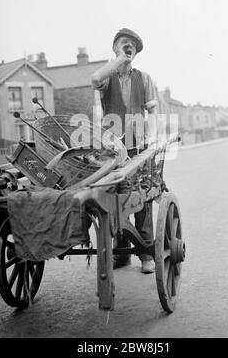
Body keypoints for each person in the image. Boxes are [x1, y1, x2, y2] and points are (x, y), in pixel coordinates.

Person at [91, 28, 158, 274]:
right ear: (115, 48)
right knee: (114, 197)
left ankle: (146, 254)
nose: (128, 46)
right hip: (111, 149)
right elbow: (94, 79)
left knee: (141, 197)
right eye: (123, 43)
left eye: (131, 45)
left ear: (137, 52)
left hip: (138, 145)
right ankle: (121, 253)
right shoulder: (107, 77)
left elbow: (152, 111)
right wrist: (119, 60)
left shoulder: (145, 78)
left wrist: (151, 139)